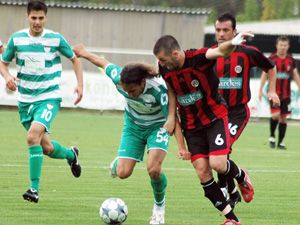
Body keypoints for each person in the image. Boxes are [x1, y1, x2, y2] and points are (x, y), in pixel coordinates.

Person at [153, 33, 254, 225]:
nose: (162, 64)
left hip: (215, 117)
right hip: (191, 126)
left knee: (218, 164)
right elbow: (172, 89)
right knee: (203, 173)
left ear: (175, 53)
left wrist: (232, 43)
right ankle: (232, 220)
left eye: (164, 60)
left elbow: (219, 51)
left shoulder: (197, 58)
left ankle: (241, 175)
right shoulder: (165, 67)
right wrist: (171, 117)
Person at [73, 44, 176, 225]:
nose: (130, 95)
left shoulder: (158, 89)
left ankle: (159, 208)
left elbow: (172, 116)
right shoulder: (119, 78)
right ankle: (119, 162)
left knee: (153, 169)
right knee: (122, 173)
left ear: (142, 82)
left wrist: (182, 144)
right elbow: (103, 63)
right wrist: (83, 53)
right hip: (133, 126)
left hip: (157, 127)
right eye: (126, 91)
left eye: (133, 91)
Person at [0, 0, 83, 203]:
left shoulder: (55, 39)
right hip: (25, 100)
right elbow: (3, 63)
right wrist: (8, 77)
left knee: (32, 137)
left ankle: (33, 189)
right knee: (45, 147)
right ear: (27, 16)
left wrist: (80, 85)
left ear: (46, 17)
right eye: (34, 18)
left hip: (49, 97)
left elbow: (75, 59)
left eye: (41, 18)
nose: (37, 22)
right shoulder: (17, 39)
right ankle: (71, 155)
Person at [213, 13, 280, 208]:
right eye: (218, 30)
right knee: (218, 154)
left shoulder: (247, 53)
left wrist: (273, 90)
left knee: (221, 153)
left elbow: (271, 68)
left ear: (234, 31)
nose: (221, 34)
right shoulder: (210, 53)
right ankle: (236, 186)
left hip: (237, 113)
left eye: (226, 30)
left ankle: (227, 189)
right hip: (216, 113)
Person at [259, 36, 300, 150]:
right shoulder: (271, 59)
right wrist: (260, 89)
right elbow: (264, 74)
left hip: (286, 95)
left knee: (283, 118)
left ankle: (281, 142)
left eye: (285, 45)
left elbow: (295, 75)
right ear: (277, 45)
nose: (282, 47)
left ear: (288, 46)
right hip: (274, 94)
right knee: (275, 115)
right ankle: (272, 136)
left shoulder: (291, 60)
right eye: (281, 45)